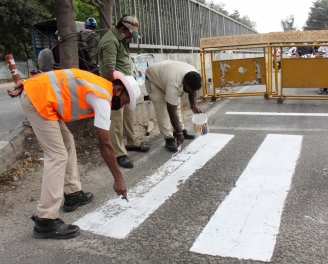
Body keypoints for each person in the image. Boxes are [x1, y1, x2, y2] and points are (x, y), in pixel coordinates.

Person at [7, 69, 138, 239]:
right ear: (119, 91)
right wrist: (119, 179)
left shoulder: (99, 85)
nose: (121, 106)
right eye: (124, 102)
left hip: (39, 95)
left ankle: (73, 194)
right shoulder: (102, 98)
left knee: (67, 142)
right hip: (38, 100)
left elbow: (60, 74)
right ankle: (45, 220)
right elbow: (105, 144)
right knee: (57, 155)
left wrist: (27, 82)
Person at [98, 14, 149, 169]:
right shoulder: (110, 41)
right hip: (116, 88)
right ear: (122, 29)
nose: (130, 37)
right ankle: (119, 153)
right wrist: (117, 93)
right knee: (116, 120)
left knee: (128, 115)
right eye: (129, 33)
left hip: (126, 86)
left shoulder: (121, 39)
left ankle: (132, 143)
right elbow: (110, 69)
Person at [145, 60, 202, 152]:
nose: (190, 91)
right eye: (189, 88)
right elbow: (171, 111)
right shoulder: (174, 83)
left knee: (176, 105)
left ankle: (179, 130)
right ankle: (169, 138)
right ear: (184, 82)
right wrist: (179, 133)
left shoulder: (195, 76)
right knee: (162, 109)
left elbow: (193, 90)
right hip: (154, 79)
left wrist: (194, 106)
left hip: (166, 74)